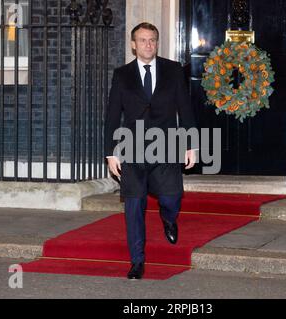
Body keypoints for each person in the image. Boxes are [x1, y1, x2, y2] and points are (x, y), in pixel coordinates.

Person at [104, 22, 197, 280]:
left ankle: (168, 219)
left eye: (153, 40)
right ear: (133, 44)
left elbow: (185, 108)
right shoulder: (122, 75)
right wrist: (111, 152)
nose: (148, 44)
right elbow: (112, 115)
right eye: (143, 40)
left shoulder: (173, 70)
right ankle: (137, 261)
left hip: (166, 146)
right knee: (134, 206)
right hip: (131, 149)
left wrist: (191, 145)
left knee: (171, 197)